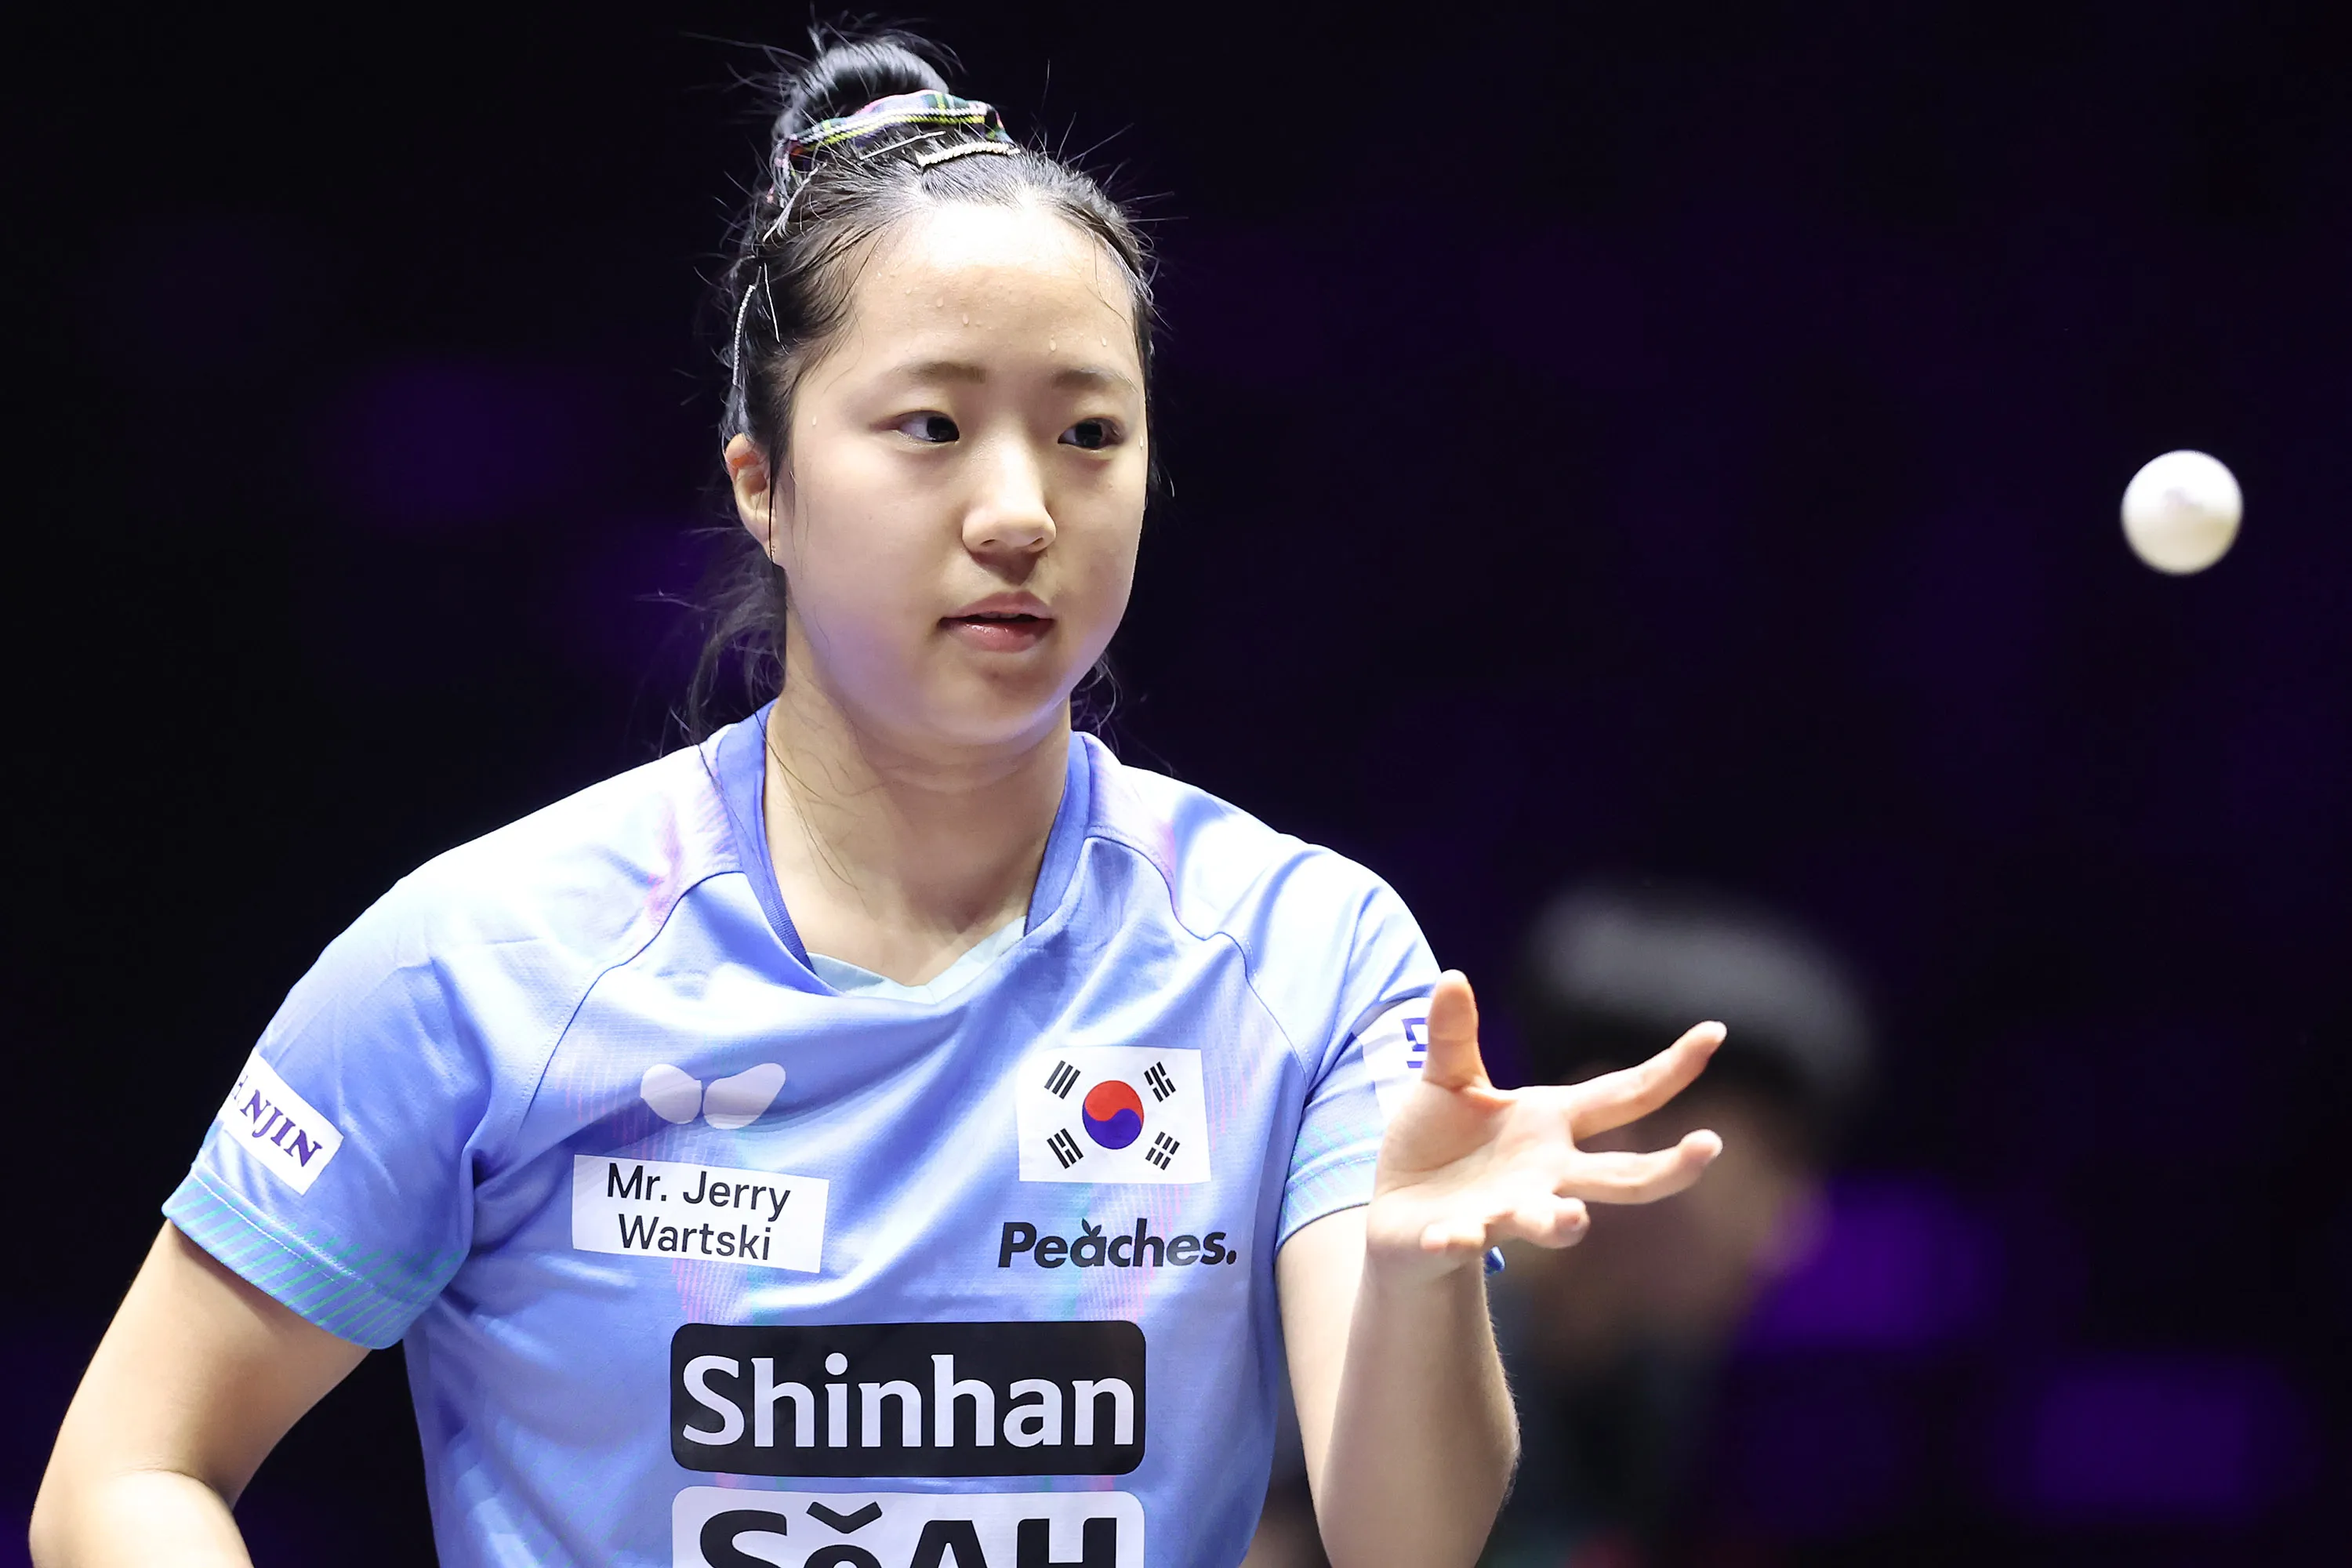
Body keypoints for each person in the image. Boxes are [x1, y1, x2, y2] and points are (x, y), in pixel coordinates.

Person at [30, 32, 1726, 1568]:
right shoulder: (483, 961)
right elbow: (127, 1470)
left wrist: (1422, 1282)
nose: (1020, 510)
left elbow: (1404, 1543)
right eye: (930, 425)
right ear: (761, 484)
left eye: (1089, 433)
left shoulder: (1308, 957)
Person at [1486, 881, 1872, 1567]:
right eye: (1773, 1161)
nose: (1793, 1236)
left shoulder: (1655, 1380)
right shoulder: (1398, 1331)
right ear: (1619, 1117)